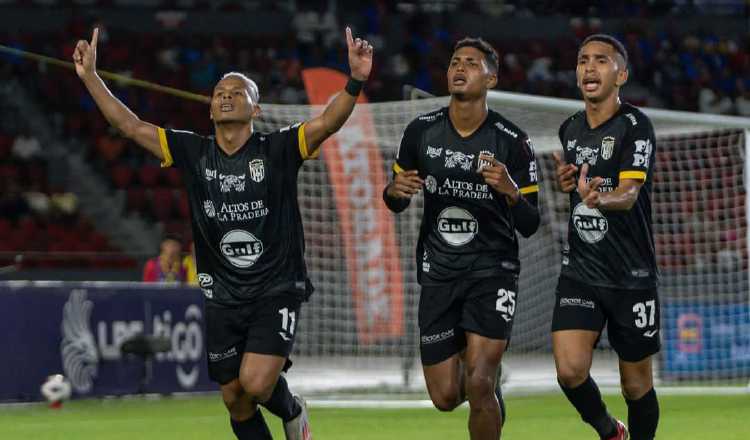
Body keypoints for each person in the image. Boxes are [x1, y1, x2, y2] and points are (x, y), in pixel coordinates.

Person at [74, 26, 373, 440]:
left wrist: (355, 80)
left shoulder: (278, 149)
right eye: (219, 92)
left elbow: (328, 121)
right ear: (210, 108)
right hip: (222, 295)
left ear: (256, 107)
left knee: (255, 382)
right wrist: (91, 76)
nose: (226, 95)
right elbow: (131, 126)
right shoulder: (194, 152)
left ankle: (292, 410)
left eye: (237, 90)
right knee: (234, 397)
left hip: (276, 286)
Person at [383, 37, 540, 440]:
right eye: (455, 61)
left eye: (471, 63)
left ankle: (487, 381)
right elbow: (395, 198)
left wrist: (510, 190)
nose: (460, 67)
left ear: (491, 78)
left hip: (492, 272)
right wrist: (393, 191)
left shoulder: (513, 141)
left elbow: (530, 222)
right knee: (446, 395)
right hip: (439, 273)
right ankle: (487, 384)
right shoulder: (420, 132)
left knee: (479, 383)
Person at [551, 34, 660, 440]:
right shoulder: (570, 129)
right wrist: (569, 185)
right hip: (581, 269)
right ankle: (610, 431)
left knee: (636, 385)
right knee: (569, 371)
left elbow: (630, 194)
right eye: (583, 60)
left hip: (631, 273)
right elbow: (577, 189)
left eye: (601, 60)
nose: (589, 67)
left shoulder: (636, 126)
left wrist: (600, 199)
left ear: (622, 75)